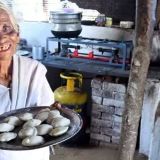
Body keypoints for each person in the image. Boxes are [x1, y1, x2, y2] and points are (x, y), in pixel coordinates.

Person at [0, 2, 55, 160]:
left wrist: (56, 111)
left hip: (35, 154)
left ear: (17, 34)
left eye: (6, 28)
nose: (2, 38)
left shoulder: (33, 70)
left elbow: (47, 111)